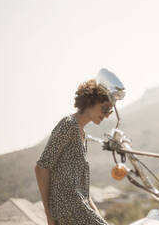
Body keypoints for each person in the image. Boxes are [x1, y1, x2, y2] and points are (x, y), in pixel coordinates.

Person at [35, 79, 113, 225]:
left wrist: (98, 216)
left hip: (78, 206)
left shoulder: (82, 134)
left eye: (109, 111)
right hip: (67, 208)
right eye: (104, 108)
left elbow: (83, 189)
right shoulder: (69, 125)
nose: (106, 114)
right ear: (91, 101)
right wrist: (48, 214)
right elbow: (41, 168)